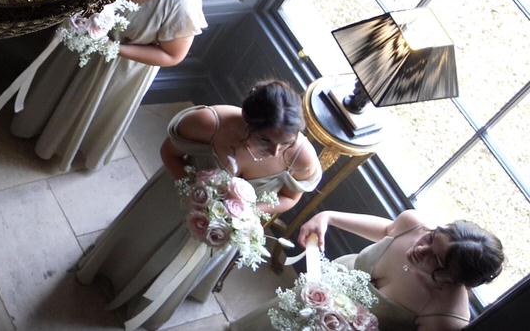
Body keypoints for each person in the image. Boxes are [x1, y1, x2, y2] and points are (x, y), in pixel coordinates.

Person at [77, 80, 323, 329]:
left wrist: (245, 213)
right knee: (139, 245)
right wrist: (197, 193)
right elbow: (169, 154)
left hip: (226, 225)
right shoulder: (208, 123)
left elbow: (290, 198)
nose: (276, 151)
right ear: (248, 121)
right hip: (171, 201)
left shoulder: (301, 158)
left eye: (288, 142)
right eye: (265, 140)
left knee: (183, 267)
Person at [8, 0, 210, 171]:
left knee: (83, 104)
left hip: (117, 65)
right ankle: (35, 121)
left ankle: (58, 144)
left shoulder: (183, 3)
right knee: (56, 83)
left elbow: (172, 55)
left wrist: (112, 48)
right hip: (80, 42)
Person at [227, 210, 501, 330]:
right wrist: (328, 217)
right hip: (312, 297)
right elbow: (385, 229)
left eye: (435, 260)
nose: (420, 249)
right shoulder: (414, 225)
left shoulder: (446, 316)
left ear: (454, 280)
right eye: (431, 238)